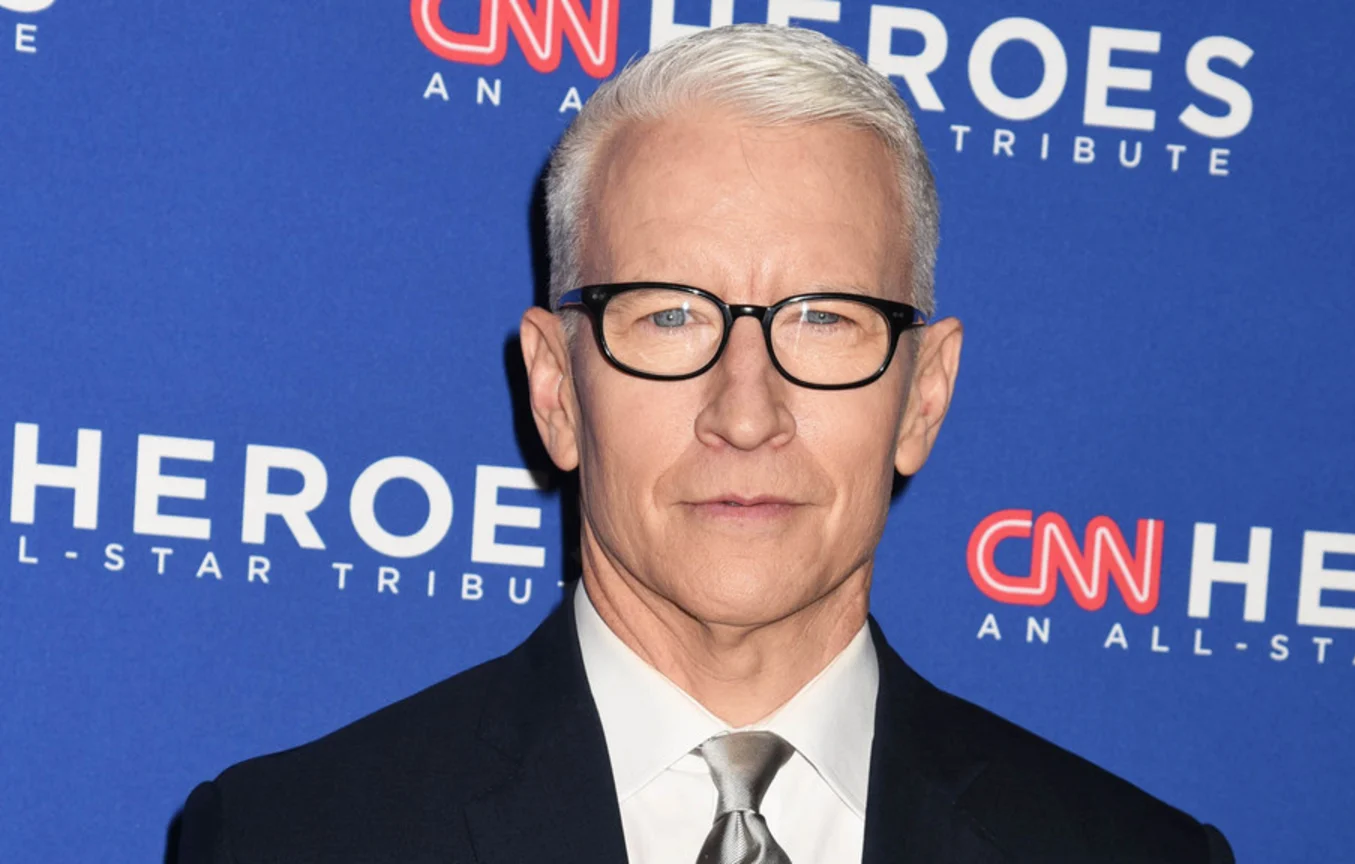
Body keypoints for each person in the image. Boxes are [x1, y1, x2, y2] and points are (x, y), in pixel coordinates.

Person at [177, 23, 1234, 864]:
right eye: (668, 316)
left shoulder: (1129, 853)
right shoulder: (291, 839)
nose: (745, 410)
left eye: (825, 318)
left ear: (924, 395)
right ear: (555, 388)